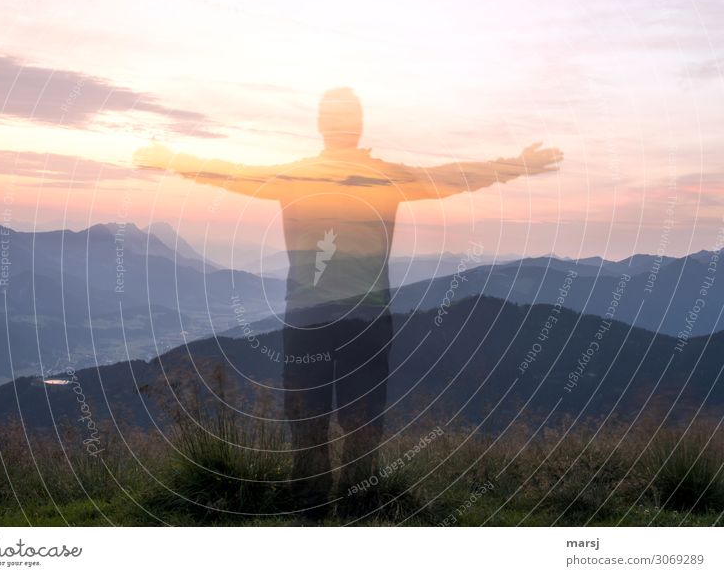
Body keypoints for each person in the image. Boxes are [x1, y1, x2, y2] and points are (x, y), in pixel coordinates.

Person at [135, 87, 562, 515]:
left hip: (308, 320)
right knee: (360, 419)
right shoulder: (382, 177)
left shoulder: (298, 178)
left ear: (323, 127)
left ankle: (312, 510)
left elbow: (229, 173)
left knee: (306, 420)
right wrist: (516, 166)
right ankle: (357, 510)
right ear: (357, 128)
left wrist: (174, 161)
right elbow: (453, 176)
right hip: (366, 321)